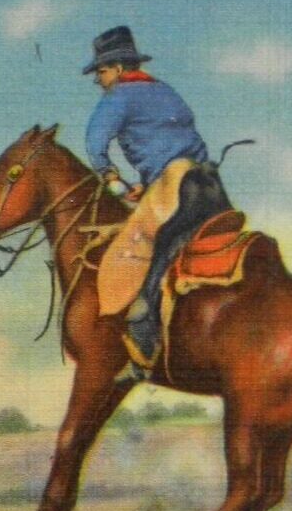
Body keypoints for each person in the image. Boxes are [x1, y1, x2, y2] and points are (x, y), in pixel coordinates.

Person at [83, 26, 229, 380]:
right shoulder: (166, 90)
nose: (98, 81)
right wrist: (148, 185)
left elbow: (94, 144)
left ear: (117, 68)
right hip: (209, 186)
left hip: (176, 188)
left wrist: (115, 183)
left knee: (146, 252)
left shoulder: (120, 96)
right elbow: (183, 144)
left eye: (101, 72)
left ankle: (144, 342)